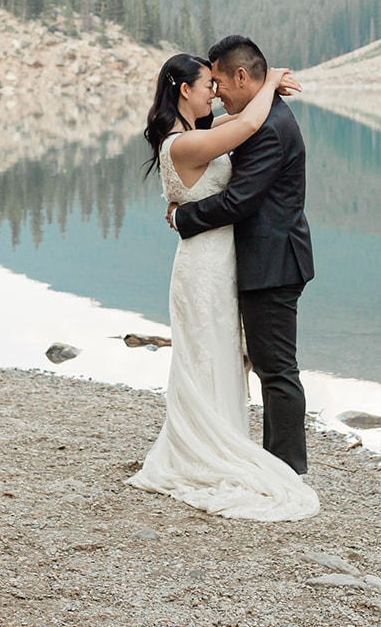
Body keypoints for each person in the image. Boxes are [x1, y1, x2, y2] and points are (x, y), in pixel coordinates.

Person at [126, 43, 317, 521]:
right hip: (210, 265)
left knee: (259, 363)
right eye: (207, 86)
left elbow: (245, 140)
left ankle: (276, 462)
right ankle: (220, 449)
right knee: (216, 355)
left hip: (250, 261)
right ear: (184, 91)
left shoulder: (218, 128)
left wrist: (264, 82)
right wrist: (269, 81)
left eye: (219, 83)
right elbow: (246, 127)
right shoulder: (188, 140)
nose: (214, 94)